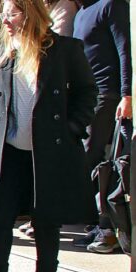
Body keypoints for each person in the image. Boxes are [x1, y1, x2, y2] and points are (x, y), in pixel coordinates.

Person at [0, 0, 96, 272]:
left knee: (46, 224)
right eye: (4, 12)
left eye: (13, 12)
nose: (5, 18)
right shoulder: (3, 53)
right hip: (10, 152)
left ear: (30, 13)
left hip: (48, 153)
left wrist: (71, 128)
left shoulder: (64, 50)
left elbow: (88, 93)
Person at [72, 0, 132, 253]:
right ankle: (99, 224)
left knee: (93, 156)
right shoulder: (82, 11)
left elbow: (124, 48)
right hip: (86, 95)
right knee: (85, 158)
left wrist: (127, 95)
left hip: (107, 94)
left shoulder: (111, 4)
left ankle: (108, 228)